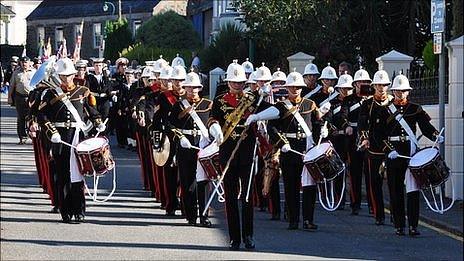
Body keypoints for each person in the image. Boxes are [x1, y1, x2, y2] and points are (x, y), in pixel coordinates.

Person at [208, 60, 278, 250]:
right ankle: (234, 238)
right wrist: (215, 130)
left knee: (247, 196)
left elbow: (276, 111)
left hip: (247, 152)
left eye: (240, 82)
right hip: (227, 152)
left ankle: (248, 236)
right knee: (230, 197)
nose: (237, 85)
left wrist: (256, 116)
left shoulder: (253, 99)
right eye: (234, 82)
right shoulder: (220, 100)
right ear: (228, 82)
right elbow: (213, 119)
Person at [37, 57, 104, 223]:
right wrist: (51, 131)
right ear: (58, 76)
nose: (66, 79)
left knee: (78, 176)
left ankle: (79, 210)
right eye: (63, 76)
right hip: (60, 138)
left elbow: (92, 111)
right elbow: (42, 115)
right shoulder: (52, 93)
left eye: (68, 75)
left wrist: (98, 122)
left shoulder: (82, 91)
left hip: (77, 138)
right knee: (62, 176)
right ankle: (65, 210)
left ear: (74, 74)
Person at [267, 71, 329, 230]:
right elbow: (271, 128)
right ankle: (293, 219)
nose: (295, 89)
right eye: (292, 87)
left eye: (298, 87)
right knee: (291, 185)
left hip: (307, 149)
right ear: (287, 88)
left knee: (309, 186)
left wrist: (323, 129)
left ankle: (308, 219)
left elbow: (318, 121)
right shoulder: (280, 106)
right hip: (289, 149)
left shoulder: (310, 104)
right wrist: (282, 143)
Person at [383, 73, 443, 236]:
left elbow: (425, 127)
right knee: (395, 190)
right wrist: (389, 150)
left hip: (410, 152)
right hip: (394, 152)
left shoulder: (415, 108)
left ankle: (413, 226)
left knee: (413, 190)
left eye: (403, 91)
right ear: (393, 91)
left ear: (408, 92)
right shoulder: (386, 109)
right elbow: (379, 134)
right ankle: (399, 225)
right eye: (397, 91)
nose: (400, 93)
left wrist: (436, 135)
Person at [169, 71, 213, 227]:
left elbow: (212, 123)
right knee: (187, 181)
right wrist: (179, 138)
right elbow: (171, 125)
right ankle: (191, 214)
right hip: (185, 146)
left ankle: (204, 214)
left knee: (203, 181)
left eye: (194, 87)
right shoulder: (179, 105)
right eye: (189, 87)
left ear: (199, 88)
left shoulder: (208, 104)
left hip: (202, 146)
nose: (192, 90)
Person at [358, 69, 393, 226]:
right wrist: (364, 138)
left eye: (384, 85)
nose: (381, 88)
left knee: (393, 183)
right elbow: (363, 123)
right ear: (374, 86)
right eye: (378, 85)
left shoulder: (393, 103)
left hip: (392, 148)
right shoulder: (368, 104)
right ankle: (379, 214)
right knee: (375, 183)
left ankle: (395, 213)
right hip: (374, 149)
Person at [341, 66, 372, 215]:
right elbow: (343, 116)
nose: (362, 84)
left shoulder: (373, 100)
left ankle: (373, 205)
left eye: (365, 81)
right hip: (353, 138)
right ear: (354, 84)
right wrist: (347, 126)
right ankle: (355, 203)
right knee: (355, 173)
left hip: (370, 138)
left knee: (371, 173)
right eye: (359, 82)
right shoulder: (348, 100)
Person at [8, 56, 36, 144]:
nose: (24, 64)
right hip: (19, 97)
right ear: (20, 63)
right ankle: (22, 137)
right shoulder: (16, 73)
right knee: (21, 118)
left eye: (26, 62)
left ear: (29, 63)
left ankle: (32, 136)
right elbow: (12, 86)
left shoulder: (34, 72)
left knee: (32, 117)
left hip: (31, 97)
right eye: (23, 62)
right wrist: (9, 97)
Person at [88, 57, 112, 123]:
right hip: (94, 99)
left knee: (105, 118)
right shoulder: (90, 77)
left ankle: (104, 133)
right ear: (94, 66)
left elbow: (109, 88)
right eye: (96, 66)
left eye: (99, 65)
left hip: (104, 100)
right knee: (95, 118)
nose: (98, 67)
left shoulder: (106, 77)